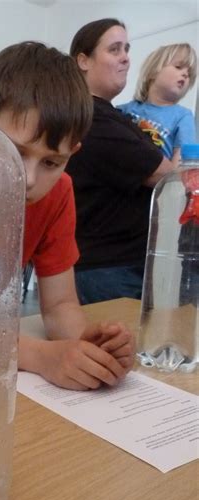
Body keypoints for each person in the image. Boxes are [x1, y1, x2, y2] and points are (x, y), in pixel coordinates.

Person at [0, 41, 135, 390]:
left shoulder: (58, 192)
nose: (29, 179)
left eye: (51, 162)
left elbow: (60, 304)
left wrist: (87, 346)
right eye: (13, 151)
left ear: (73, 153)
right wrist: (41, 356)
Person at [66, 19, 174, 305]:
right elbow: (166, 176)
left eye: (126, 48)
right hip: (107, 270)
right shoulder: (92, 119)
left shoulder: (116, 117)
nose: (126, 57)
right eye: (114, 49)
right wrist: (181, 161)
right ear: (83, 60)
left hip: (119, 266)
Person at [118, 43, 197, 166]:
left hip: (155, 182)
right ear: (153, 72)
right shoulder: (126, 109)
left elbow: (181, 159)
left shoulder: (183, 116)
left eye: (190, 74)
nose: (185, 74)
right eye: (178, 67)